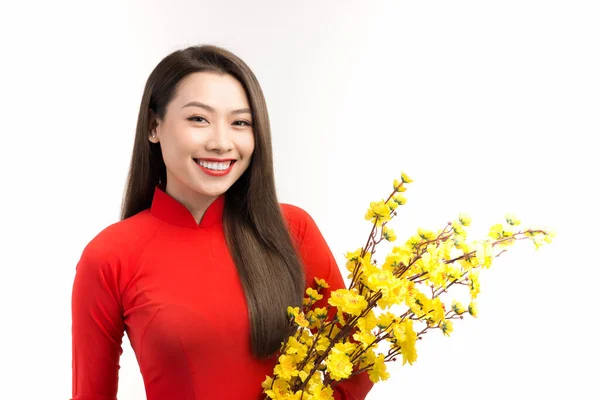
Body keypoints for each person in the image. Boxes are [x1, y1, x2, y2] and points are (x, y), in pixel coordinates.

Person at [70, 44, 374, 400]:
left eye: (240, 122)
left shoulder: (292, 230)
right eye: (198, 119)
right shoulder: (109, 256)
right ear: (154, 126)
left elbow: (356, 363)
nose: (220, 142)